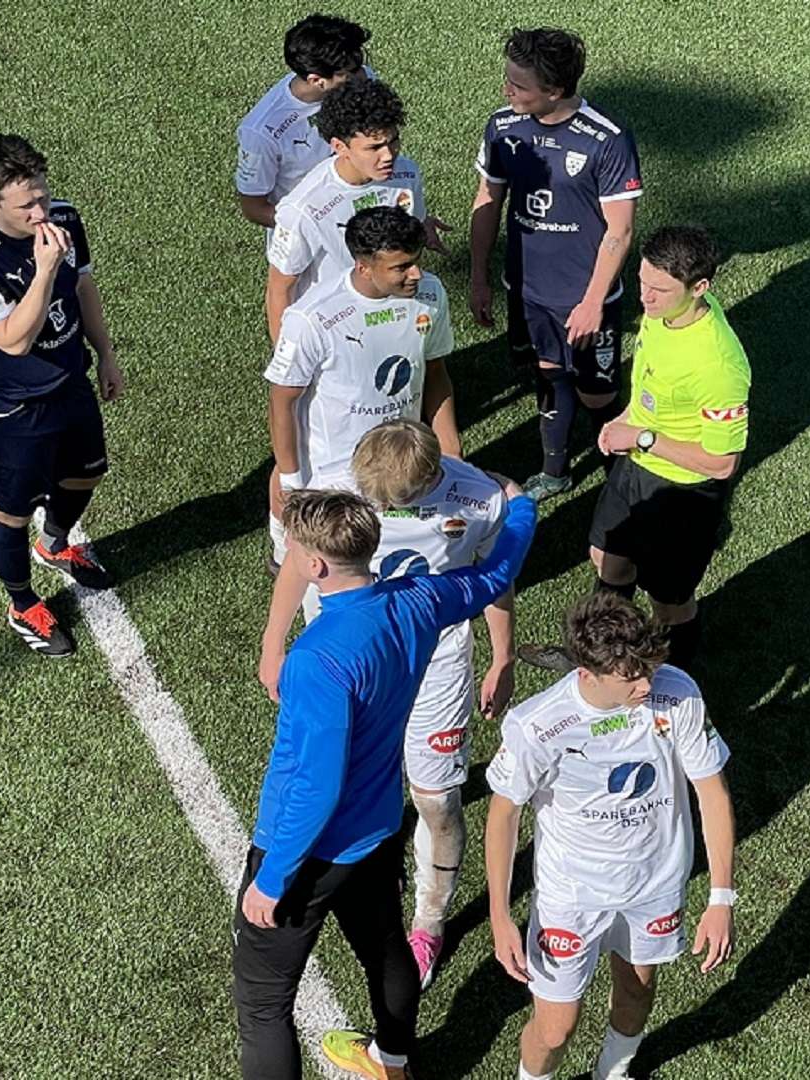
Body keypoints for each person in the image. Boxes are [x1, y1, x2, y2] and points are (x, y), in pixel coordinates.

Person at [235, 486, 539, 1080]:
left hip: (308, 852)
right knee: (384, 949)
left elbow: (317, 786)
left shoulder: (317, 659)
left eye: (295, 548)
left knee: (263, 1008)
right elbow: (497, 569)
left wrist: (272, 879)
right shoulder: (420, 599)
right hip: (376, 829)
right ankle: (393, 1061)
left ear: (316, 566)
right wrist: (521, 506)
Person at [258, 419, 516, 989]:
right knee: (336, 777)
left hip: (433, 656)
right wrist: (273, 642)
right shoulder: (333, 487)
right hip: (347, 659)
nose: (372, 505)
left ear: (428, 480)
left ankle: (428, 919)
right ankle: (374, 865)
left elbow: (493, 577)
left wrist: (503, 654)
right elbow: (302, 560)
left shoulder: (476, 497)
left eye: (387, 502)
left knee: (437, 798)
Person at [484, 593, 737, 1080]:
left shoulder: (677, 693)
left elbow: (712, 792)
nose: (646, 684)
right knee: (556, 1028)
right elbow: (504, 814)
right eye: (631, 676)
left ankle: (613, 1072)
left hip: (654, 884)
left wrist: (721, 896)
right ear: (587, 673)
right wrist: (499, 914)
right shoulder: (539, 726)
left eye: (648, 668)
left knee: (638, 992)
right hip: (572, 896)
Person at [523, 225, 748, 674]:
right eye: (642, 281)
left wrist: (642, 439)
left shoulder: (718, 364)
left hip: (684, 491)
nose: (644, 297)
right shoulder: (664, 312)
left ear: (700, 287)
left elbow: (722, 464)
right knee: (607, 557)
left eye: (659, 289)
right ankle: (594, 657)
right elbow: (651, 381)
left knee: (669, 601)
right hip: (638, 463)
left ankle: (672, 684)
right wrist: (627, 419)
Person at [0, 134, 123, 658]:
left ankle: (55, 544)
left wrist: (105, 353)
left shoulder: (64, 217)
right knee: (10, 512)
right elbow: (14, 340)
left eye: (42, 196)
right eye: (26, 206)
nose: (41, 212)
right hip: (10, 409)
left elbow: (84, 285)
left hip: (69, 383)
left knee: (88, 470)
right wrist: (43, 270)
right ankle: (22, 604)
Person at [468, 27, 642, 500]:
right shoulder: (504, 127)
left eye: (519, 85)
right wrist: (479, 277)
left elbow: (619, 231)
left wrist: (591, 304)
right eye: (508, 80)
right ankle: (556, 471)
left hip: (586, 298)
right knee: (547, 371)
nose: (507, 91)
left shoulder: (606, 139)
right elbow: (488, 198)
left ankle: (619, 486)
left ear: (555, 90)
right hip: (527, 291)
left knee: (597, 395)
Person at [264, 206, 459, 574]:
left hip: (401, 467)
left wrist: (451, 450)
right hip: (333, 475)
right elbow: (282, 400)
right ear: (363, 266)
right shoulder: (312, 319)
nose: (416, 274)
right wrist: (291, 481)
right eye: (401, 267)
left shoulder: (430, 295)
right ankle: (281, 554)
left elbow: (436, 372)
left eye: (416, 262)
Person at [267, 77, 447, 345]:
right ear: (340, 147)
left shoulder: (406, 173)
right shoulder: (304, 207)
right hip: (334, 334)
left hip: (393, 317)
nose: (389, 155)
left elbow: (412, 226)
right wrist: (289, 363)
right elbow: (279, 290)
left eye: (393, 141)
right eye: (374, 147)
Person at [235, 14, 372, 229]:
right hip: (309, 245)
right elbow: (254, 208)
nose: (364, 76)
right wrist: (321, 229)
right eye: (351, 72)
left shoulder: (356, 85)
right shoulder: (261, 132)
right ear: (316, 80)